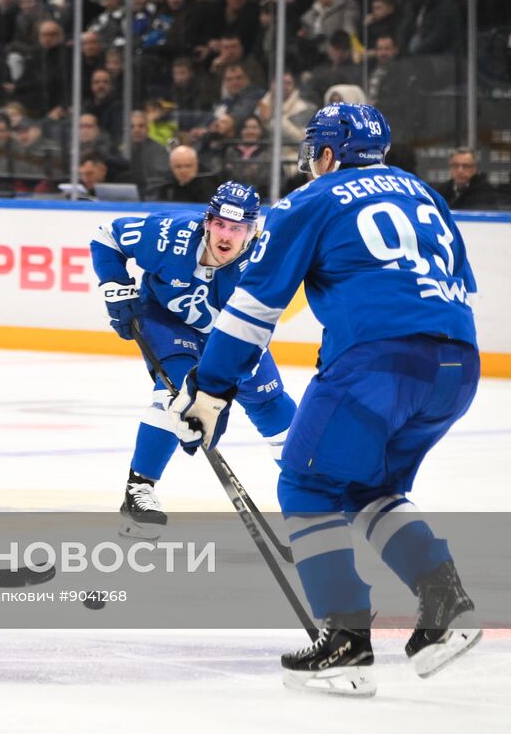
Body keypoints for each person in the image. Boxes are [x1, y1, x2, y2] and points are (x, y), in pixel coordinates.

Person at [170, 104, 481, 696]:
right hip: (458, 365)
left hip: (379, 365)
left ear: (329, 153)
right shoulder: (423, 193)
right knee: (369, 488)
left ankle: (345, 641)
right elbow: (453, 285)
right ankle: (446, 605)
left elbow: (252, 311)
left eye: (316, 149)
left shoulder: (309, 202)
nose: (311, 160)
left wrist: (210, 391)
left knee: (306, 484)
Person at [91, 182, 294, 539]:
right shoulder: (168, 234)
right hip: (167, 321)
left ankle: (311, 498)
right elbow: (106, 236)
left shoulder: (265, 266)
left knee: (271, 404)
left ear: (253, 231)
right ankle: (139, 489)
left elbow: (254, 333)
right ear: (207, 221)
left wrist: (218, 394)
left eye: (237, 228)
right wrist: (115, 286)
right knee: (178, 390)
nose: (226, 235)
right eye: (220, 224)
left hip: (234, 338)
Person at [434, 148, 506, 211]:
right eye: (455, 165)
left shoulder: (485, 191)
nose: (460, 170)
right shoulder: (440, 191)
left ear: (475, 168)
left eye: (466, 166)